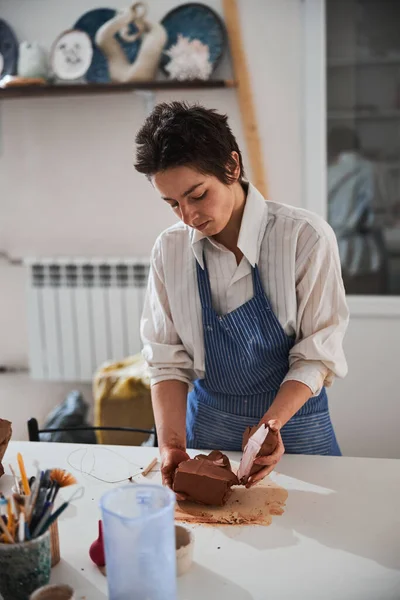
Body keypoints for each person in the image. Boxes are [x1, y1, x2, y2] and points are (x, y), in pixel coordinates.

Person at [135, 102, 349, 491]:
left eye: (197, 195)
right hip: (208, 424)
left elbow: (317, 354)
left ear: (231, 167)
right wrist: (170, 444)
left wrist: (270, 426)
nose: (187, 217)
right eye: (172, 204)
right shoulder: (170, 250)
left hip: (294, 426)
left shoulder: (304, 238)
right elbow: (166, 360)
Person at [327, 126, 390, 295]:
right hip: (366, 255)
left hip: (334, 252)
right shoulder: (373, 170)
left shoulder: (327, 173)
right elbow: (380, 216)